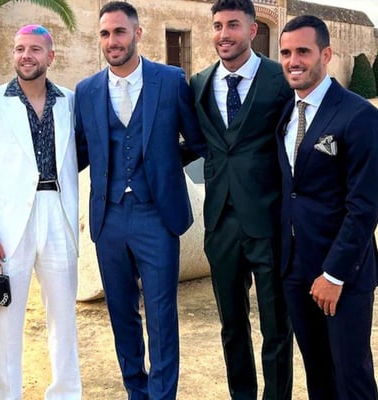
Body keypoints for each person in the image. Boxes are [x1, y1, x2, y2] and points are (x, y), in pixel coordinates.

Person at [74, 2, 203, 399]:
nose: (112, 41)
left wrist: (165, 166)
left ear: (137, 33)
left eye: (119, 31)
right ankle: (136, 391)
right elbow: (79, 152)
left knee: (162, 316)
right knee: (121, 313)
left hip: (157, 216)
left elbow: (196, 141)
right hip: (108, 218)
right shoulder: (87, 90)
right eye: (105, 33)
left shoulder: (170, 80)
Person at [0, 25, 81, 400]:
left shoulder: (70, 101)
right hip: (7, 225)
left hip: (59, 215)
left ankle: (65, 394)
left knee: (64, 319)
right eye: (19, 49)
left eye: (34, 49)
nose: (26, 55)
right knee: (4, 324)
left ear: (50, 56)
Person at [187, 0, 294, 398]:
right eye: (217, 25)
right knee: (231, 326)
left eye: (233, 25)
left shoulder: (279, 78)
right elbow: (196, 143)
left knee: (276, 327)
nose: (223, 34)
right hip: (220, 223)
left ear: (252, 30)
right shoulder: (199, 83)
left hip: (269, 221)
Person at [277, 15, 378, 400]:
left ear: (326, 54)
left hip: (343, 275)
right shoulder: (287, 113)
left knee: (351, 377)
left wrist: (334, 275)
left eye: (303, 51)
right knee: (318, 375)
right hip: (296, 270)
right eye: (285, 53)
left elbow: (365, 206)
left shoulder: (360, 115)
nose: (293, 61)